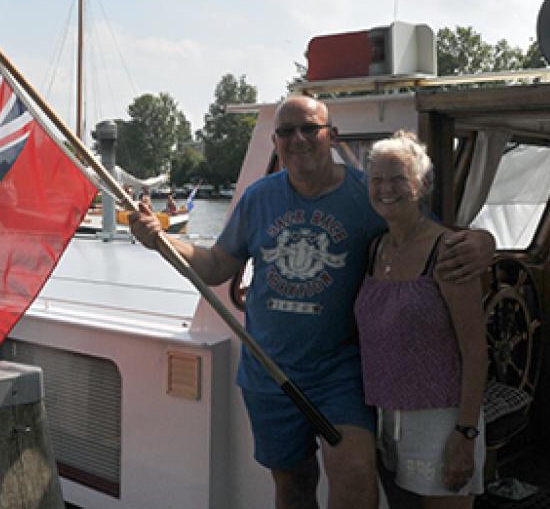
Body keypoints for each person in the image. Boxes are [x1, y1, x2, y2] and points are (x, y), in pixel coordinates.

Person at [128, 95, 493, 509]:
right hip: (268, 370)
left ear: (332, 136)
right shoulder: (258, 198)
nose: (298, 139)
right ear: (275, 141)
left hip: (340, 372)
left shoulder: (367, 194)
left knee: (356, 474)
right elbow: (214, 267)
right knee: (293, 484)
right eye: (286, 131)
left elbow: (425, 234)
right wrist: (161, 241)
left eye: (309, 129)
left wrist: (484, 242)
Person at [354, 131, 486, 508]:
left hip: (441, 422)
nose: (386, 189)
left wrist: (465, 433)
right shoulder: (375, 249)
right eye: (377, 180)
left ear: (423, 184)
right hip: (385, 420)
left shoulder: (449, 251)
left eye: (398, 178)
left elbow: (476, 350)